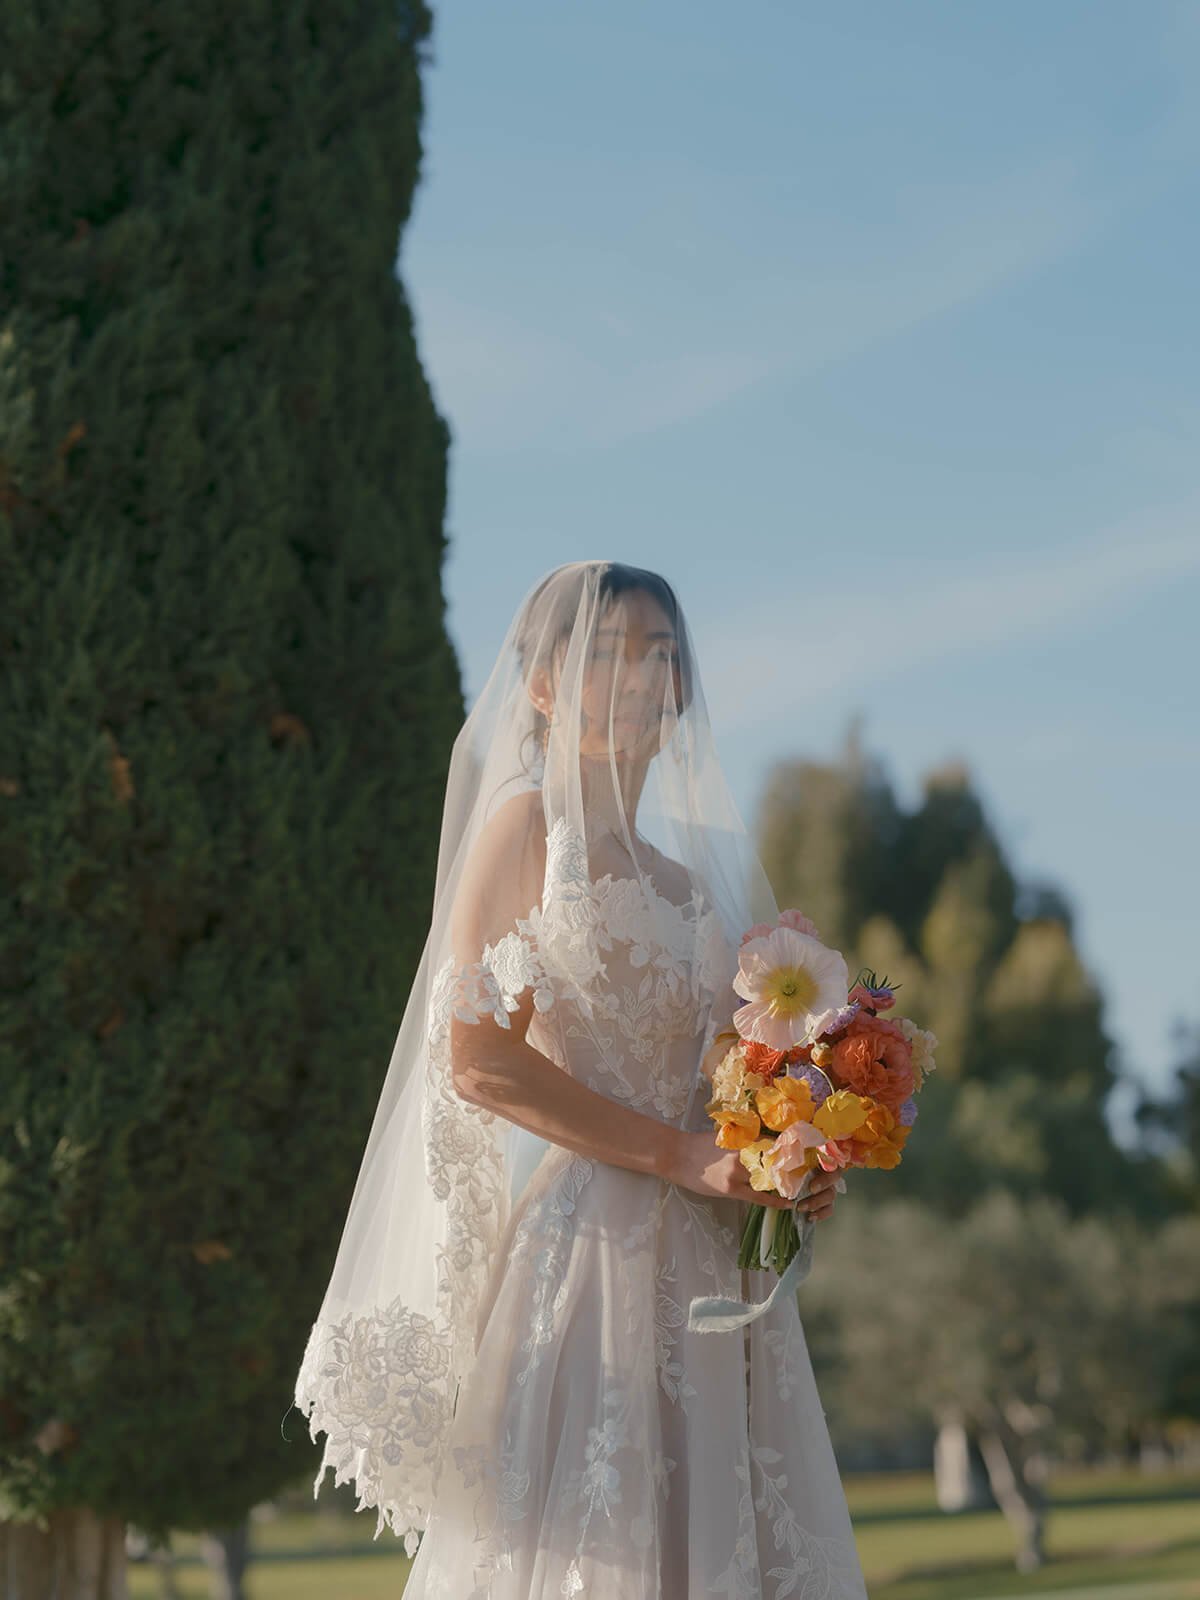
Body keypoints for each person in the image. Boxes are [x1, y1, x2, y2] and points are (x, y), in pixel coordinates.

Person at [292, 560, 869, 1598]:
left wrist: (787, 1159)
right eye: (608, 654)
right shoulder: (525, 829)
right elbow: (476, 1060)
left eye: (660, 657)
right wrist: (679, 1154)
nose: (641, 679)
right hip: (591, 1260)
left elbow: (721, 1092)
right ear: (544, 684)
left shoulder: (694, 888)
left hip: (712, 1267)